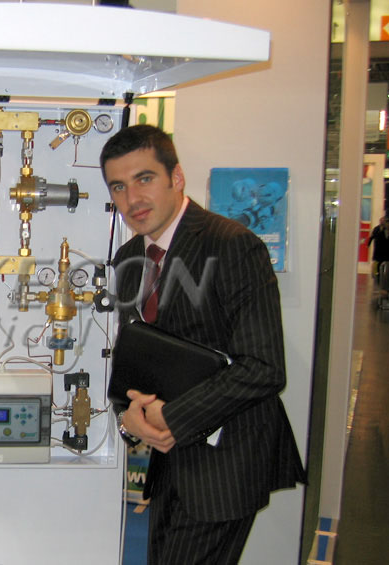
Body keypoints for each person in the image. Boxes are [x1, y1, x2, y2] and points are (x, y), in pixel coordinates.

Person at [100, 125, 305, 564]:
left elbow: (264, 367)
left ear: (176, 177)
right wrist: (128, 419)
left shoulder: (232, 246)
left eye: (144, 178)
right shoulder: (128, 259)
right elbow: (136, 358)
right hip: (166, 462)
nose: (132, 198)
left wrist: (172, 418)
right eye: (118, 186)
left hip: (226, 462)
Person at [367, 215, 389, 286]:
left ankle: (382, 279)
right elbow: (372, 237)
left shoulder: (386, 229)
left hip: (385, 251)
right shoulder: (377, 229)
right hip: (378, 250)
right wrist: (368, 244)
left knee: (383, 265)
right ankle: (377, 276)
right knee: (377, 264)